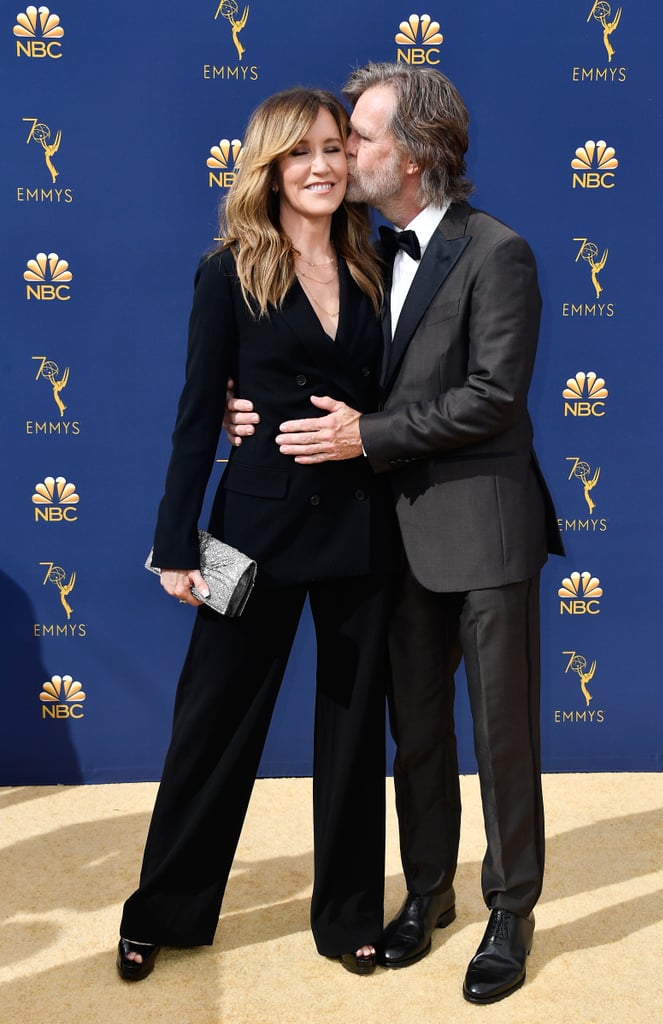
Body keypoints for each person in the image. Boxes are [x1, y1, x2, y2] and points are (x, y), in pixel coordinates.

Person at [226, 62, 564, 1004]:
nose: (343, 153)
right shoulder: (367, 256)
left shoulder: (499, 253)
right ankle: (428, 894)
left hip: (486, 534)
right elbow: (318, 356)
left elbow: (493, 399)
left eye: (361, 139)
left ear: (410, 158)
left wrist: (362, 436)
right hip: (396, 543)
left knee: (501, 742)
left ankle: (510, 914)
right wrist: (240, 404)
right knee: (414, 734)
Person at [117, 86, 398, 983]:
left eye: (333, 148)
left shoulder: (381, 262)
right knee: (211, 728)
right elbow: (199, 413)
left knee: (354, 737)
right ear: (270, 167)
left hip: (361, 529)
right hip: (251, 536)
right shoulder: (230, 269)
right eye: (300, 151)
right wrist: (174, 542)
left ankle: (350, 915)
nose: (322, 165)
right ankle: (161, 909)